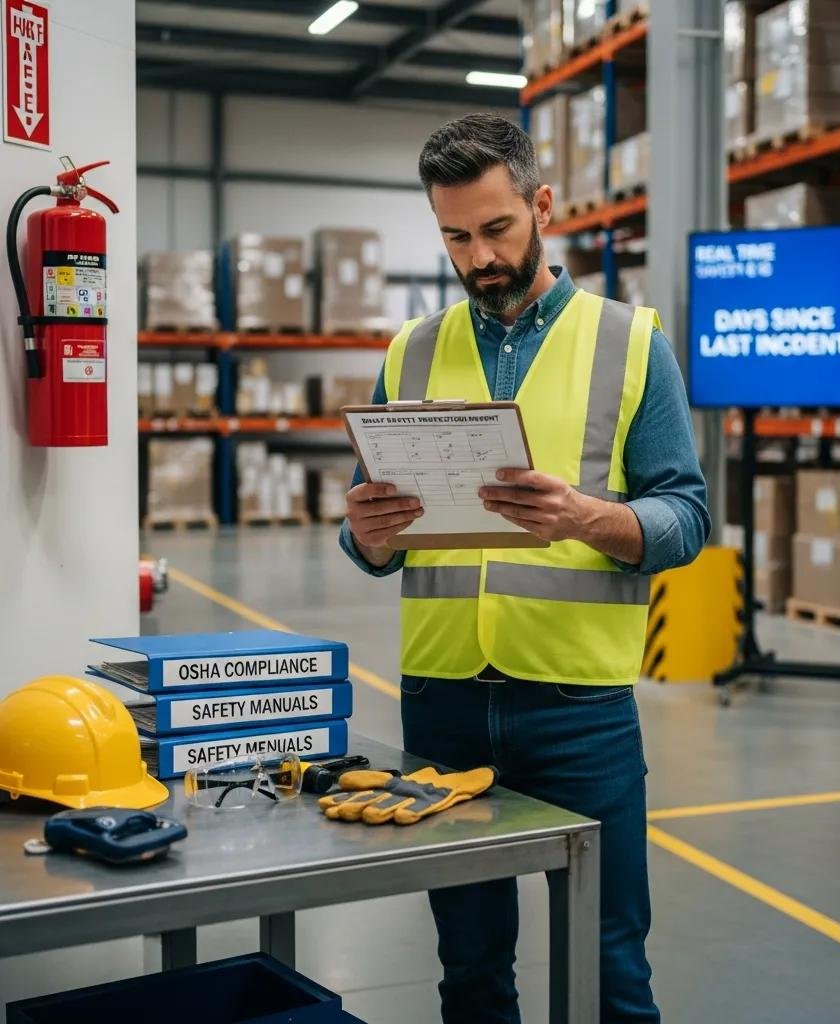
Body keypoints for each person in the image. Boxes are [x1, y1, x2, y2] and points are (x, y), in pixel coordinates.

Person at [340, 113, 710, 1024]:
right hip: (443, 700)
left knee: (609, 965)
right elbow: (367, 542)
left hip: (579, 707)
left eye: (498, 229)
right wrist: (368, 533)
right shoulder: (411, 349)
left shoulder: (630, 343)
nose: (479, 257)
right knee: (467, 967)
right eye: (456, 236)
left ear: (542, 206)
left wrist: (587, 516)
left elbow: (687, 518)